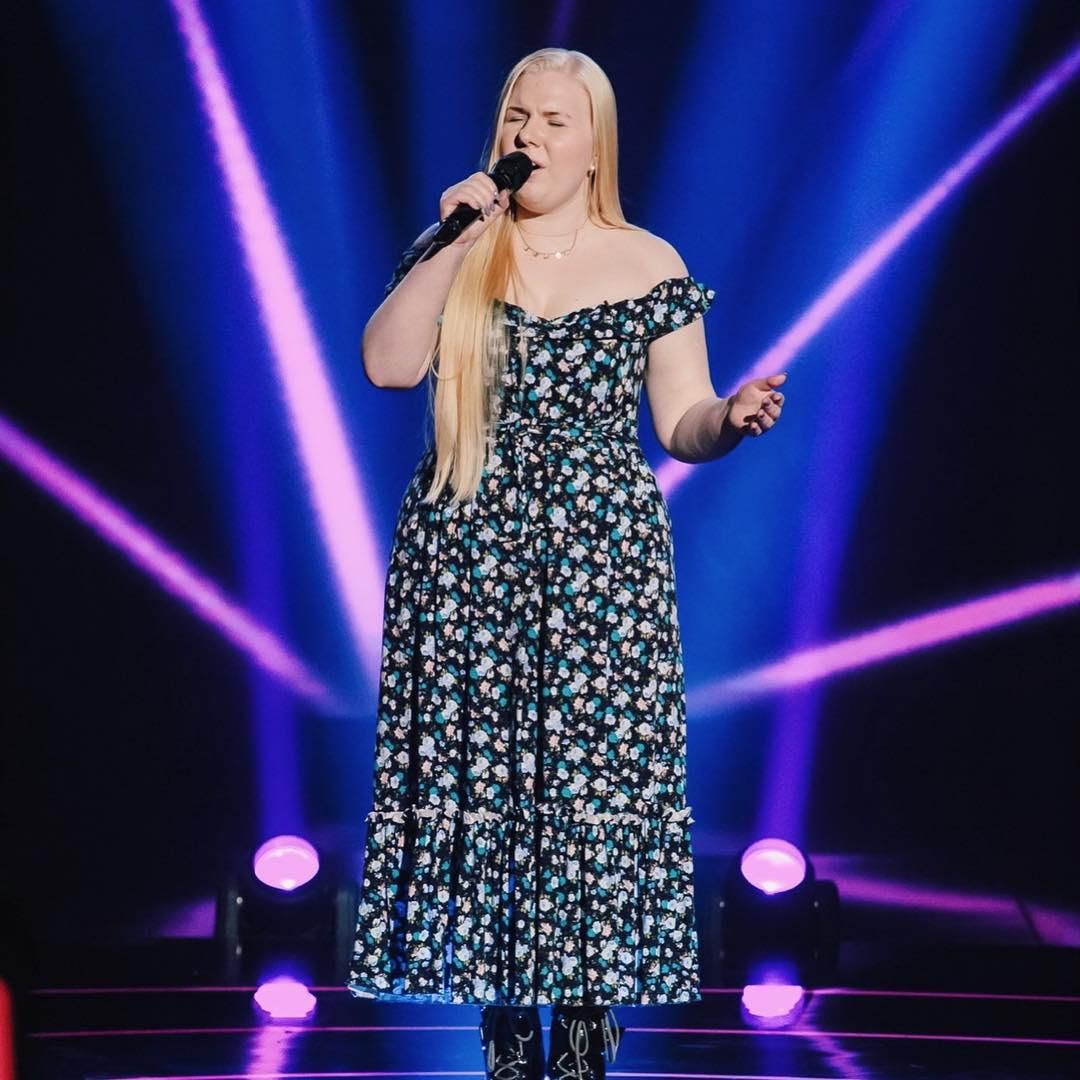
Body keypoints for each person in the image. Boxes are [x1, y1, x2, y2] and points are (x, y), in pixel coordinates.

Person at [346, 47, 786, 1080]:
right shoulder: (462, 245)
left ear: (594, 146)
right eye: (517, 117)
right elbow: (388, 365)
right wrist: (456, 243)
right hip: (468, 554)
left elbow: (681, 420)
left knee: (587, 784)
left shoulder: (648, 263)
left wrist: (729, 418)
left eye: (553, 121)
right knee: (491, 781)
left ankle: (587, 1025)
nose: (530, 137)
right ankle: (504, 1028)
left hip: (600, 566)